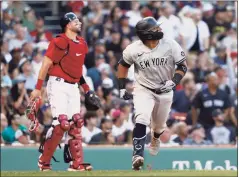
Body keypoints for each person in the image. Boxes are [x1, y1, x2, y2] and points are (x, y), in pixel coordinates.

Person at [27, 12, 100, 171]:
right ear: (67, 24)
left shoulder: (81, 43)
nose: (79, 22)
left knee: (76, 123)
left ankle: (76, 164)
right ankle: (44, 161)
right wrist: (38, 88)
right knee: (61, 124)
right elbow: (45, 65)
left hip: (73, 86)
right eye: (75, 20)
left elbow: (76, 70)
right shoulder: (59, 41)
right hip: (58, 84)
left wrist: (87, 90)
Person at [117, 17, 187, 170]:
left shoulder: (170, 44)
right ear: (148, 34)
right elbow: (122, 66)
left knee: (159, 126)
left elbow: (182, 65)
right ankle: (137, 154)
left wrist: (174, 81)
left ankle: (155, 138)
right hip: (144, 89)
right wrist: (122, 88)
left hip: (165, 90)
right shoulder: (133, 49)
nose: (160, 30)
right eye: (156, 28)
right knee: (141, 117)